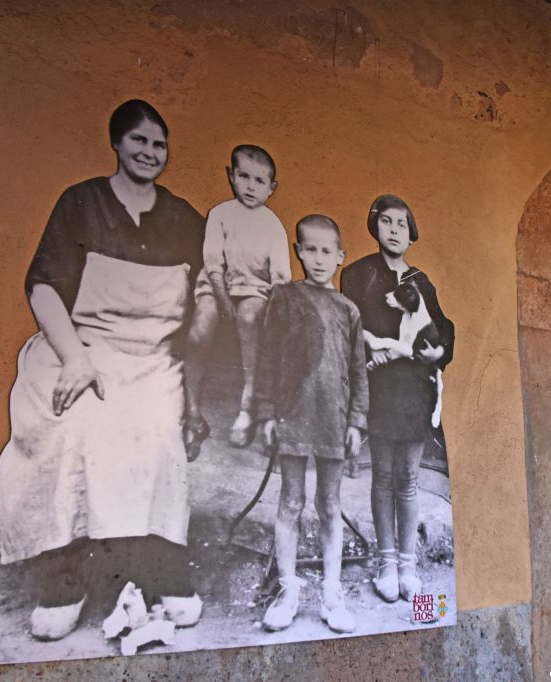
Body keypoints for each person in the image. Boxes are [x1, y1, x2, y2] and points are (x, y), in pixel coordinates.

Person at [0, 100, 206, 641]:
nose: (149, 152)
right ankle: (67, 576)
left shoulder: (183, 217)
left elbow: (210, 289)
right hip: (81, 345)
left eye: (159, 144)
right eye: (138, 141)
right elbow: (41, 285)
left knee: (157, 431)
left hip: (153, 355)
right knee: (73, 424)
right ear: (116, 144)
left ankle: (159, 567)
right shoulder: (80, 202)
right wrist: (77, 358)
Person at [254, 215, 369, 634]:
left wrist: (356, 421)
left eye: (327, 251)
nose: (319, 259)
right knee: (290, 503)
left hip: (333, 421)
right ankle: (288, 591)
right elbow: (267, 360)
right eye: (311, 249)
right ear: (298, 252)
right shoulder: (283, 299)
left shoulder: (348, 310)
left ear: (340, 257)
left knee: (329, 506)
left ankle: (332, 593)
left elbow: (358, 371)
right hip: (292, 417)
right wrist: (267, 413)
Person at [340, 195, 454, 603]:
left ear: (411, 232)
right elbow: (350, 328)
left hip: (414, 390)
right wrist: (371, 353)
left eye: (402, 224)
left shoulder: (422, 281)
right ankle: (386, 563)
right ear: (375, 227)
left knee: (408, 479)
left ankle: (409, 564)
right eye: (386, 222)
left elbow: (443, 328)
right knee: (383, 477)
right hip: (379, 389)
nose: (393, 230)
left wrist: (439, 353)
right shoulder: (358, 274)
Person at [185, 145, 290, 455]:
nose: (250, 186)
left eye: (259, 181)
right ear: (230, 176)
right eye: (243, 176)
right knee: (197, 334)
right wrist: (220, 299)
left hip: (253, 289)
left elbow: (280, 276)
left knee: (250, 319)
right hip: (217, 285)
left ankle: (248, 405)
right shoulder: (220, 214)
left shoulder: (272, 225)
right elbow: (213, 260)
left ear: (272, 188)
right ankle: (191, 415)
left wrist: (276, 308)